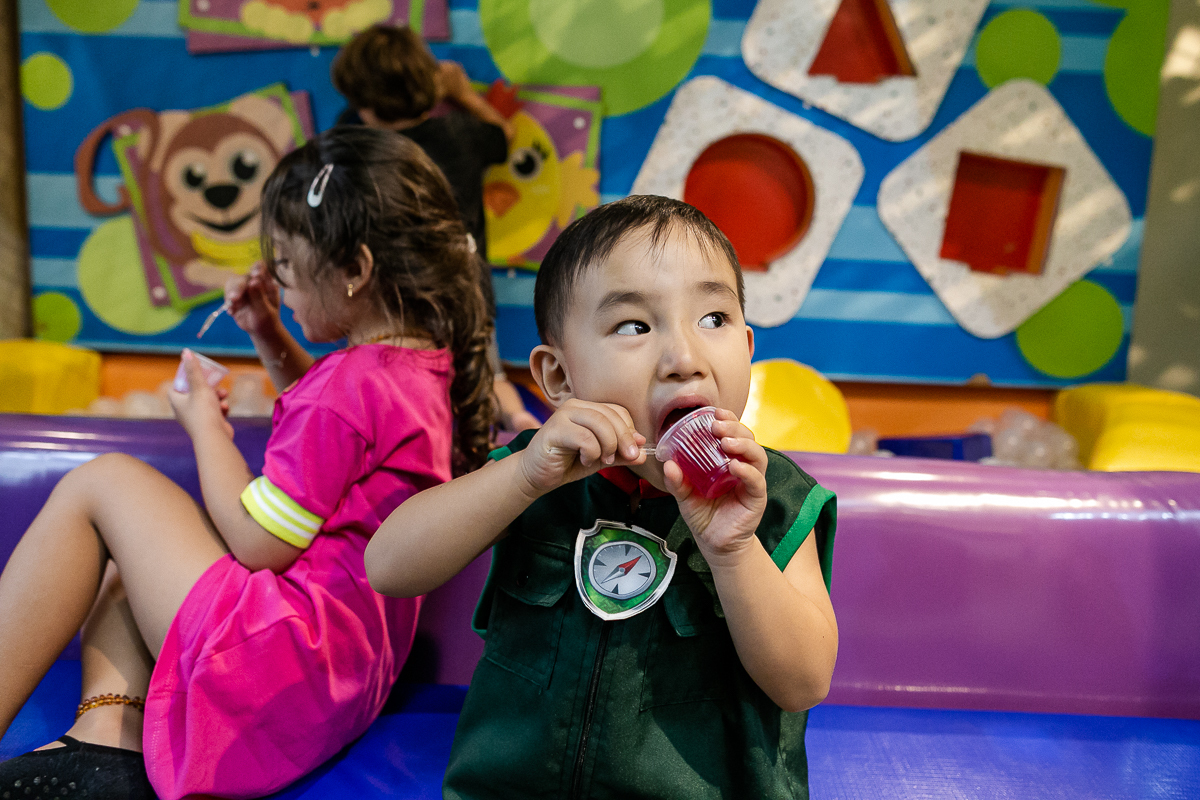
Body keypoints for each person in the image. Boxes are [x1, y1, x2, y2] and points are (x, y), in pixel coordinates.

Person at [0, 126, 494, 800]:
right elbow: (335, 439)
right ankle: (104, 749)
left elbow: (260, 544)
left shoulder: (349, 389)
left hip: (278, 667)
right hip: (336, 681)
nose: (279, 283)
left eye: (286, 267)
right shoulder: (415, 370)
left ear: (355, 271)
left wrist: (205, 425)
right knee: (125, 551)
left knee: (102, 483)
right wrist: (268, 332)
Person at [365, 195, 839, 798]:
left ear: (747, 348)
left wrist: (733, 550)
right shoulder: (539, 471)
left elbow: (803, 682)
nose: (684, 359)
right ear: (560, 378)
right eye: (635, 326)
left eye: (712, 319)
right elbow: (387, 568)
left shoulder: (770, 499)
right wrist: (523, 477)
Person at [332, 23, 542, 433]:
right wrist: (459, 93)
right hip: (463, 287)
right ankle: (517, 419)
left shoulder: (352, 142)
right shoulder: (461, 135)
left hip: (387, 295)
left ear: (364, 105)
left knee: (388, 373)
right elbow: (504, 134)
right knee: (488, 377)